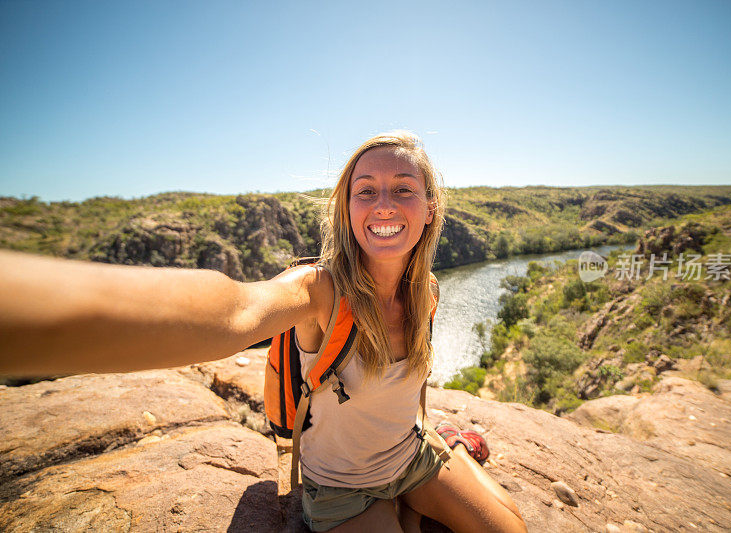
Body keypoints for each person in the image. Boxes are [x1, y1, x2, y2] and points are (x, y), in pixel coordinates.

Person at [0, 131, 527, 533]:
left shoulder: (426, 292)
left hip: (414, 457)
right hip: (344, 491)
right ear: (348, 209)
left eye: (403, 189)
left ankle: (423, 479)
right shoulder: (320, 290)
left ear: (431, 207)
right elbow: (236, 309)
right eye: (365, 191)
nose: (383, 204)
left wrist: (427, 435)